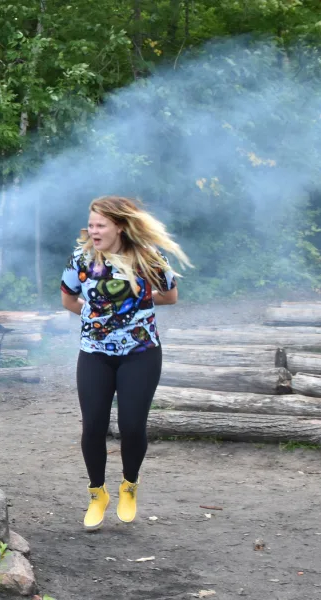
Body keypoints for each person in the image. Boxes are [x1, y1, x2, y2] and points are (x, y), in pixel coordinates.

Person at [61, 196, 188, 532]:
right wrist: (95, 318)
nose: (93, 230)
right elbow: (67, 298)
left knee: (132, 426)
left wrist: (136, 303)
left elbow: (171, 296)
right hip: (94, 353)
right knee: (93, 426)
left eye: (100, 225)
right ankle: (97, 494)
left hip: (141, 353)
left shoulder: (147, 258)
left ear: (119, 225)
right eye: (91, 224)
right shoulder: (82, 259)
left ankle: (129, 486)